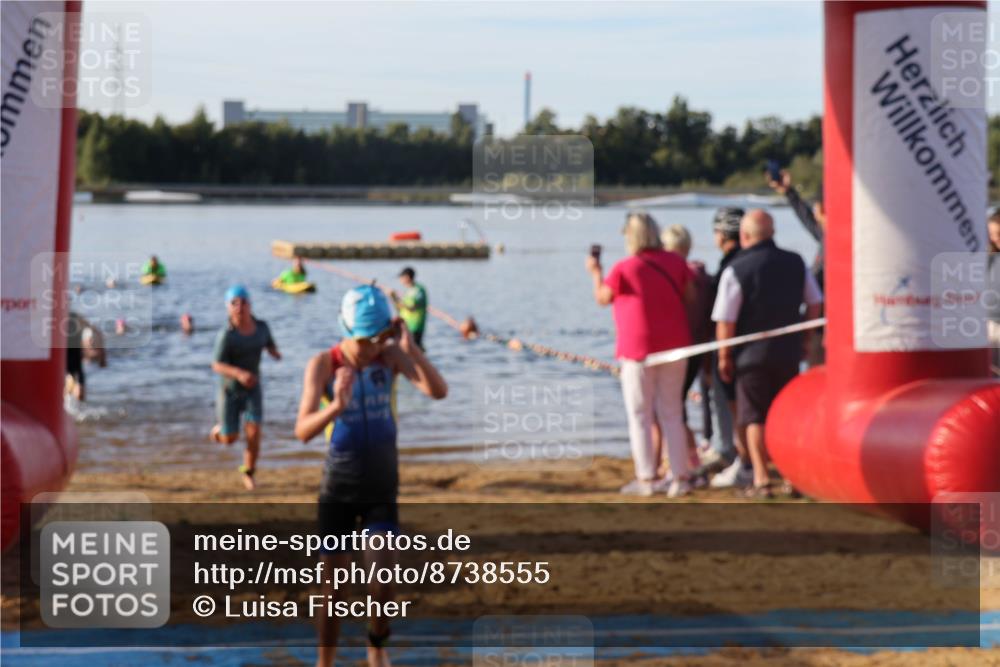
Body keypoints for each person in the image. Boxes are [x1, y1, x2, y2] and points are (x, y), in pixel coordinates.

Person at [294, 284, 447, 667]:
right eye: (365, 340)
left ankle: (376, 645)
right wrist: (337, 407)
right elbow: (302, 430)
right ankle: (324, 662)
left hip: (381, 487)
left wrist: (409, 348)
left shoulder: (391, 357)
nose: (372, 348)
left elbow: (438, 391)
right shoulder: (324, 364)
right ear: (347, 332)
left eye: (379, 337)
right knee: (334, 591)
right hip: (339, 490)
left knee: (383, 583)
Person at [712, 210, 823, 498]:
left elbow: (725, 319)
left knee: (753, 417)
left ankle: (762, 478)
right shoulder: (796, 262)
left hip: (751, 356)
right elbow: (814, 304)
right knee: (785, 414)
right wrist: (806, 338)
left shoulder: (737, 268)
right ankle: (791, 476)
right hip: (787, 351)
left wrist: (724, 356)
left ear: (745, 236)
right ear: (772, 233)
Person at [586, 211, 695, 497]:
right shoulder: (677, 263)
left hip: (638, 350)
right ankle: (679, 477)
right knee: (672, 413)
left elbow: (602, 298)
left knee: (640, 414)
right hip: (675, 346)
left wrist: (595, 273)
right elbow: (690, 295)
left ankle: (647, 478)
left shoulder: (625, 268)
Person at [210, 285, 281, 491]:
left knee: (254, 432)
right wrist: (239, 374)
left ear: (250, 304)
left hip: (253, 388)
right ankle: (219, 432)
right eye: (234, 303)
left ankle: (249, 473)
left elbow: (269, 343)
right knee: (230, 440)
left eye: (243, 302)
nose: (239, 306)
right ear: (228, 307)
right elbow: (216, 365)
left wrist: (274, 352)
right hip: (230, 390)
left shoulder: (262, 327)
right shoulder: (227, 335)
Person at [659, 224, 714, 475]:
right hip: (699, 350)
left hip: (679, 349)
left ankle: (683, 460)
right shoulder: (703, 277)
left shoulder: (680, 276)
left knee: (670, 410)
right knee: (674, 408)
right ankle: (687, 457)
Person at [702, 208, 750, 489]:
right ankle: (739, 453)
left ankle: (731, 453)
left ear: (721, 234)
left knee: (729, 403)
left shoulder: (731, 267)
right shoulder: (742, 261)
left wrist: (721, 354)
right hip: (762, 347)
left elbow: (722, 315)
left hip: (733, 347)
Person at [766, 170, 826, 366]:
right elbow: (807, 219)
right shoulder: (827, 236)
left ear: (823, 210)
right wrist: (788, 192)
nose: (816, 215)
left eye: (818, 209)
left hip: (826, 331)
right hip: (818, 326)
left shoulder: (841, 240)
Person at [386, 267, 428, 349]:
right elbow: (400, 309)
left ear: (407, 277)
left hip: (415, 327)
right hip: (406, 327)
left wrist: (397, 298)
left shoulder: (419, 290)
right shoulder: (408, 291)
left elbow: (411, 308)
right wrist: (393, 297)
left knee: (415, 350)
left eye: (401, 277)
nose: (400, 280)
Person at [988, 212, 1000, 368]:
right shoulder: (989, 258)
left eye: (998, 233)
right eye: (991, 234)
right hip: (990, 325)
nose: (994, 238)